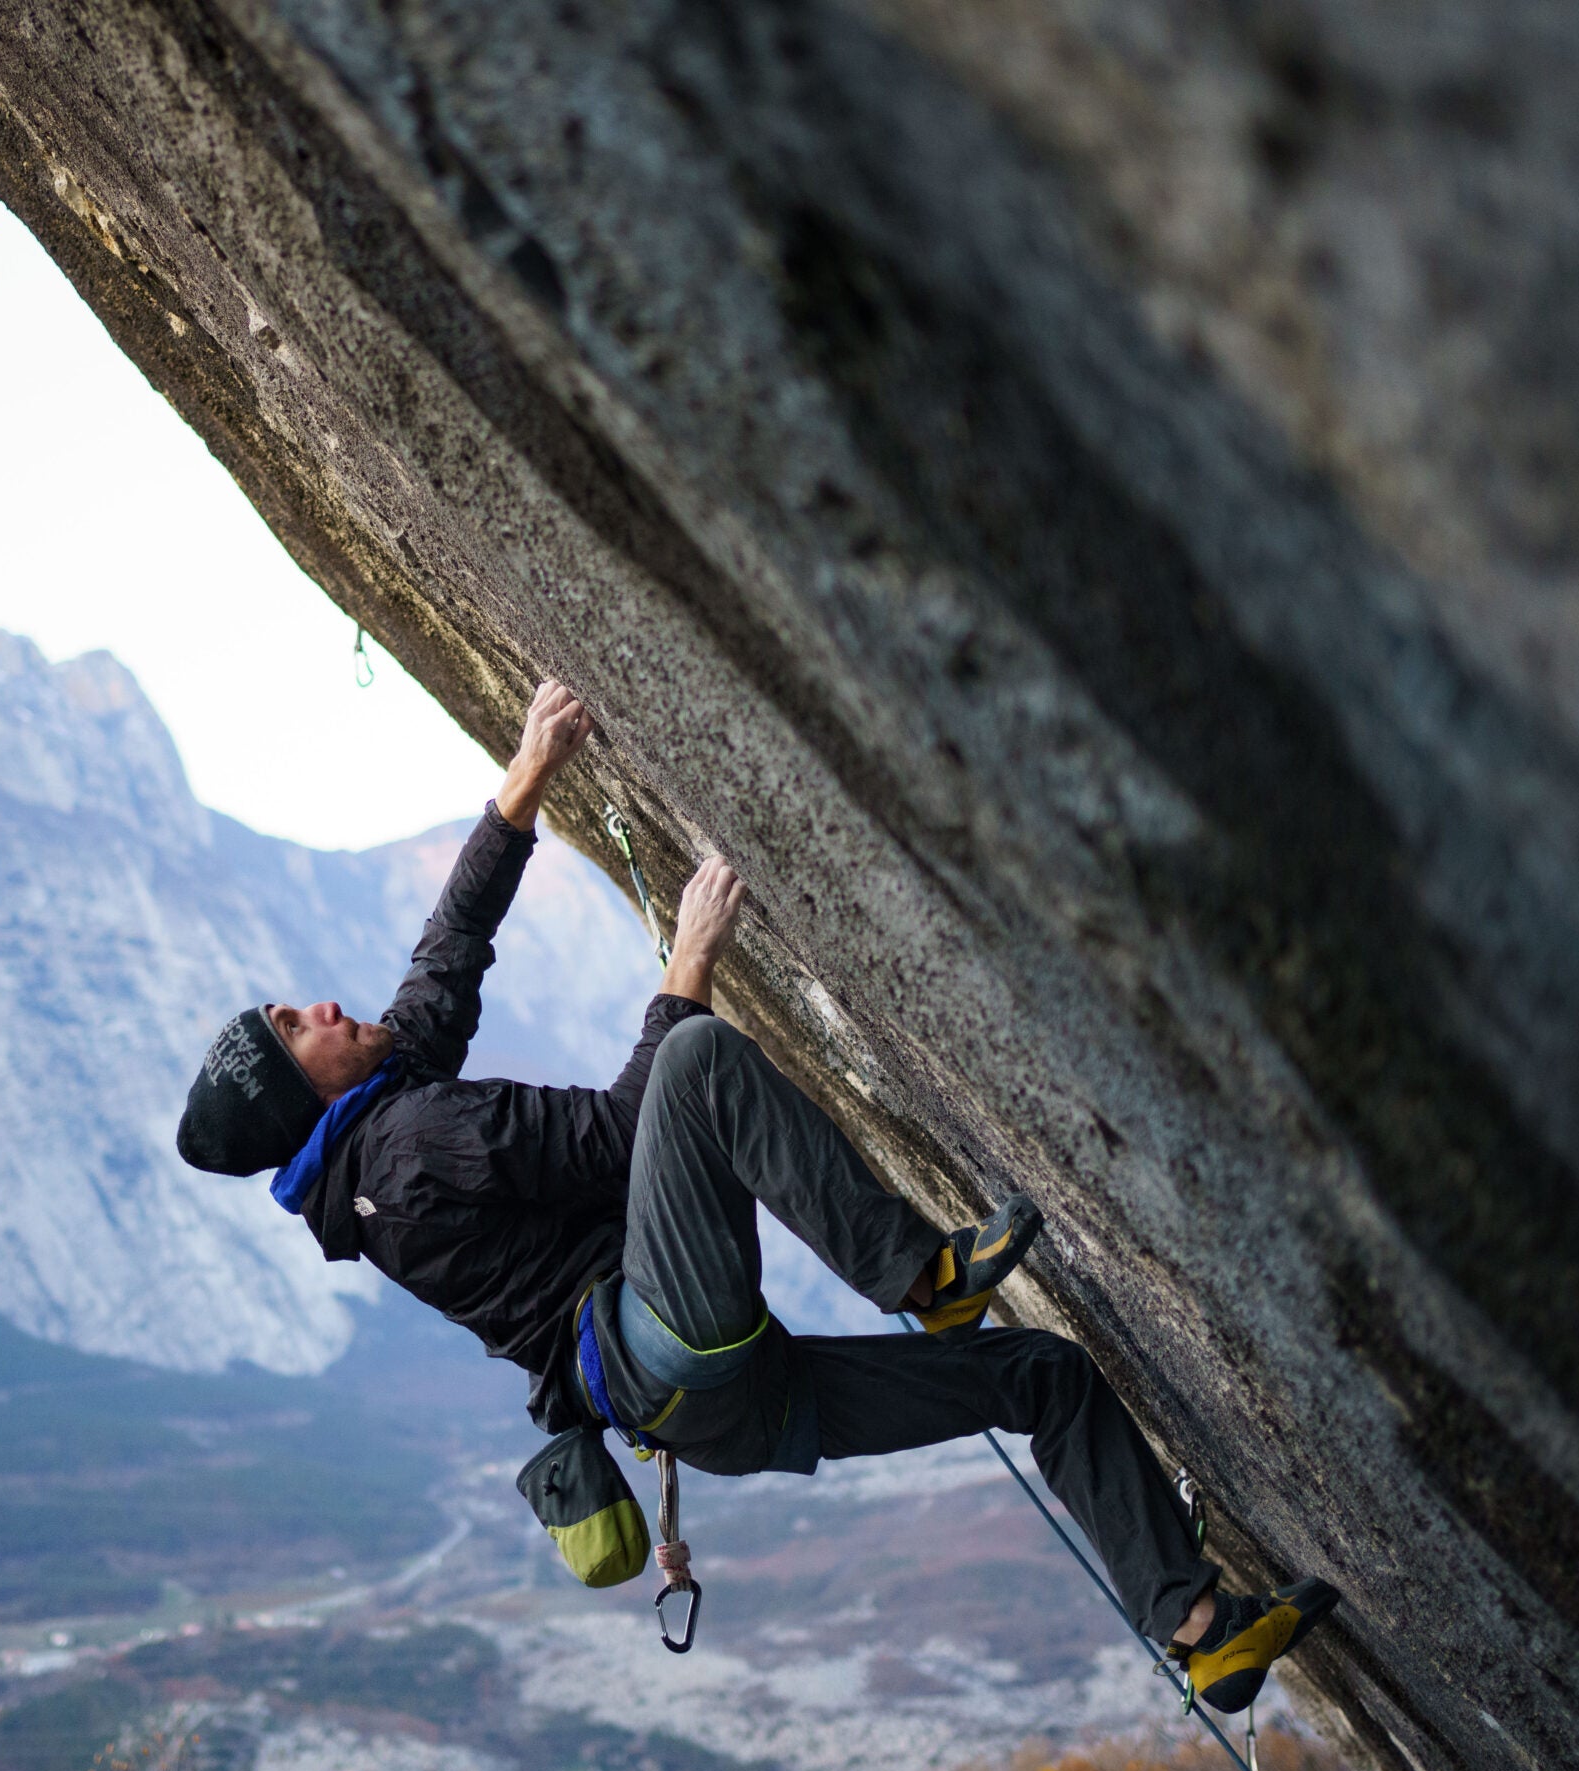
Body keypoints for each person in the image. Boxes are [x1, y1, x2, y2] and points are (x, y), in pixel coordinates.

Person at [175, 681, 1335, 1712]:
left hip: (720, 1411)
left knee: (1046, 1377)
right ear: (297, 1094)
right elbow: (632, 1135)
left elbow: (441, 971)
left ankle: (1201, 1632)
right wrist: (689, 956)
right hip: (661, 1344)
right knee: (691, 1062)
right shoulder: (410, 1144)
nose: (322, 1006)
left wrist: (525, 776)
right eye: (294, 1026)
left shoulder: (376, 1138)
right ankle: (918, 1275)